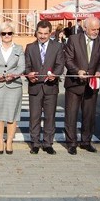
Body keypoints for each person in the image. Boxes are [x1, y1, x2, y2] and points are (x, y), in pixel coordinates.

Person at [63, 16, 100, 154]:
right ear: (85, 28)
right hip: (74, 84)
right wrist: (77, 71)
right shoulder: (74, 40)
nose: (96, 32)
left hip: (91, 85)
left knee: (89, 115)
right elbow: (68, 59)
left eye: (98, 29)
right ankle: (71, 143)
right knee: (71, 115)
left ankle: (86, 141)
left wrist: (99, 71)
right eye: (93, 29)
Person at [25, 20, 65, 155]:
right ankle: (35, 143)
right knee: (34, 117)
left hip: (51, 87)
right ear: (36, 32)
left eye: (45, 34)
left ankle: (48, 143)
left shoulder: (57, 47)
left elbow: (60, 64)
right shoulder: (30, 47)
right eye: (40, 33)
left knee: (50, 117)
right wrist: (28, 74)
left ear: (50, 33)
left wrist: (56, 74)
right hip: (35, 86)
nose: (42, 36)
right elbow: (27, 66)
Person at [0, 22, 25, 155]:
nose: (7, 36)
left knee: (12, 115)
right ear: (0, 35)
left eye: (9, 33)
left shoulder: (19, 49)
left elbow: (21, 67)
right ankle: (0, 142)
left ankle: (9, 141)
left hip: (14, 85)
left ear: (13, 34)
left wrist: (12, 76)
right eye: (4, 33)